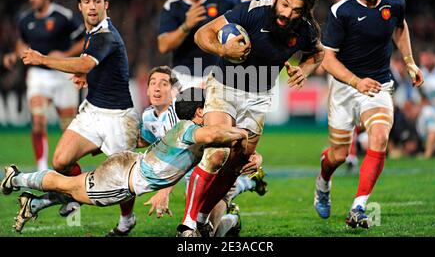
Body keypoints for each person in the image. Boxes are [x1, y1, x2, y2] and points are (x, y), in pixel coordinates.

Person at [177, 0, 324, 236]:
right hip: (224, 88)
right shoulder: (252, 11)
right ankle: (187, 224)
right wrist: (223, 51)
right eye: (285, 3)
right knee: (217, 152)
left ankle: (202, 216)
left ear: (304, 13)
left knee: (237, 162)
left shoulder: (307, 30)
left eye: (296, 10)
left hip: (258, 97)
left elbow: (318, 53)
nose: (287, 12)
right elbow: (202, 34)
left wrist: (304, 69)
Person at [0, 88, 249, 233]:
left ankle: (31, 205)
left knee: (76, 190)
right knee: (69, 186)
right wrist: (242, 134)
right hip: (121, 180)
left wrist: (248, 152)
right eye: (210, 107)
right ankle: (17, 177)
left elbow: (217, 144)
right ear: (199, 111)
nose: (217, 114)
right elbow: (215, 134)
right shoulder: (188, 128)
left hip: (127, 168)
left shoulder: (187, 130)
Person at [20, 0, 140, 236]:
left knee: (123, 181)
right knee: (61, 161)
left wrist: (42, 59)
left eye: (97, 1)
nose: (92, 6)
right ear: (80, 7)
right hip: (93, 111)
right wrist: (89, 77)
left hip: (119, 117)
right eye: (87, 2)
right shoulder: (92, 32)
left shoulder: (106, 35)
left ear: (106, 4)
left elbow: (85, 62)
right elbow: (96, 66)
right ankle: (75, 193)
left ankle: (127, 219)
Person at [313, 0, 424, 228]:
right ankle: (323, 184)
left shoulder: (395, 2)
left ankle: (358, 206)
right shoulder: (342, 11)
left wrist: (409, 61)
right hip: (343, 87)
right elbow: (327, 60)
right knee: (338, 156)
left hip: (378, 85)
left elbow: (400, 27)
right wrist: (355, 81)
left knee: (379, 135)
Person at [139, 66, 267, 237]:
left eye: (163, 84)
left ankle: (233, 216)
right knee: (202, 224)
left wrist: (256, 156)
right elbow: (147, 140)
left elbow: (228, 134)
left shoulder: (190, 113)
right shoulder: (148, 116)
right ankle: (248, 185)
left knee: (206, 231)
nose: (157, 88)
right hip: (192, 177)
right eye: (153, 83)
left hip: (214, 173)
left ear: (174, 90)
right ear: (146, 89)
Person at [2, 0, 85, 171]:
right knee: (38, 121)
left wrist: (65, 55)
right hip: (38, 75)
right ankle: (41, 168)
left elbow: (83, 41)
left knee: (68, 128)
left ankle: (67, 168)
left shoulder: (63, 16)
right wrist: (15, 55)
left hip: (62, 74)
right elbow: (22, 43)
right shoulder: (25, 20)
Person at [157, 0, 241, 89]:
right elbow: (163, 46)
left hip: (218, 74)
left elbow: (243, 4)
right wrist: (186, 26)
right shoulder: (172, 6)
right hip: (185, 77)